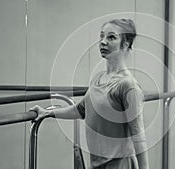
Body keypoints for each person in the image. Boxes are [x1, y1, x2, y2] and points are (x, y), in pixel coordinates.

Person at [30, 18, 149, 169]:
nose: (103, 42)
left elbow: (139, 137)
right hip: (97, 164)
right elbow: (80, 110)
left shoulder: (128, 85)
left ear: (125, 44)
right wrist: (47, 112)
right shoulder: (98, 78)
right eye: (102, 36)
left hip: (120, 165)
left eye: (111, 37)